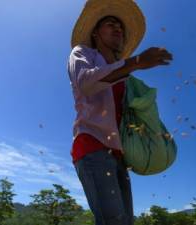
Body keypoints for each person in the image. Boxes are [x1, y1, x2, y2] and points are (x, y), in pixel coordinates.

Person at [67, 0, 172, 224]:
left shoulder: (125, 75)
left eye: (121, 27)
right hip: (92, 145)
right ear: (96, 32)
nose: (118, 29)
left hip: (119, 156)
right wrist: (135, 62)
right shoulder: (82, 53)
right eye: (111, 24)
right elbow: (86, 82)